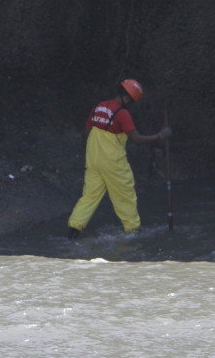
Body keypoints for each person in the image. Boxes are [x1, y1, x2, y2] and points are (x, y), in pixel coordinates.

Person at [67, 79, 171, 239]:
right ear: (128, 98)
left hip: (93, 160)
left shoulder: (98, 107)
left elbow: (86, 132)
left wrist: (88, 153)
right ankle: (132, 232)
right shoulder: (122, 114)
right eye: (133, 102)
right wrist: (160, 136)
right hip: (113, 163)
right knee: (125, 196)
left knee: (89, 196)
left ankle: (73, 231)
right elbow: (136, 139)